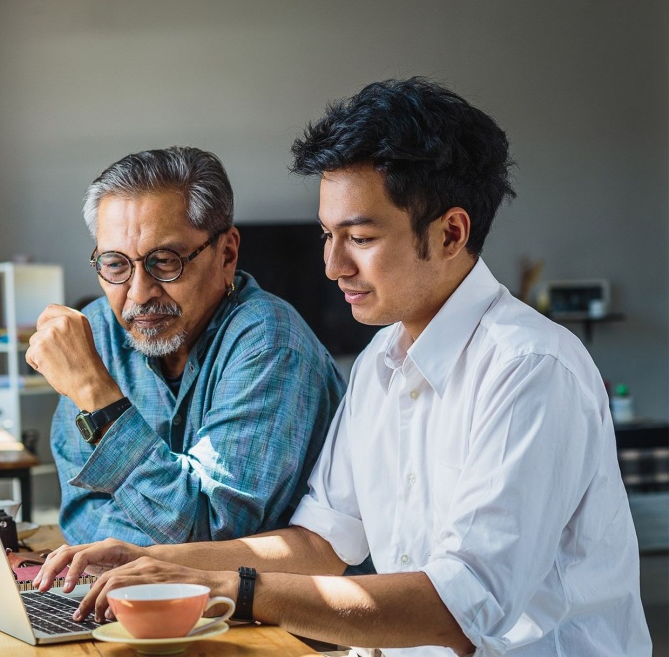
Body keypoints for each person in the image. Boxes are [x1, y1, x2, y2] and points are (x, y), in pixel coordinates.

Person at [34, 79, 651, 655]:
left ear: (451, 233)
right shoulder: (381, 363)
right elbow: (319, 544)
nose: (333, 267)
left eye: (359, 237)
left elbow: (464, 607)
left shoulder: (530, 370)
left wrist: (235, 588)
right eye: (327, 236)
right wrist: (163, 565)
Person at [24, 146, 345, 546]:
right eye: (115, 263)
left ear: (226, 254)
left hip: (268, 605)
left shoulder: (270, 342)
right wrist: (136, 557)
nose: (139, 293)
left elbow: (210, 528)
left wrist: (98, 396)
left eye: (165, 260)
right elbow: (83, 510)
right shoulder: (99, 332)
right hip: (139, 596)